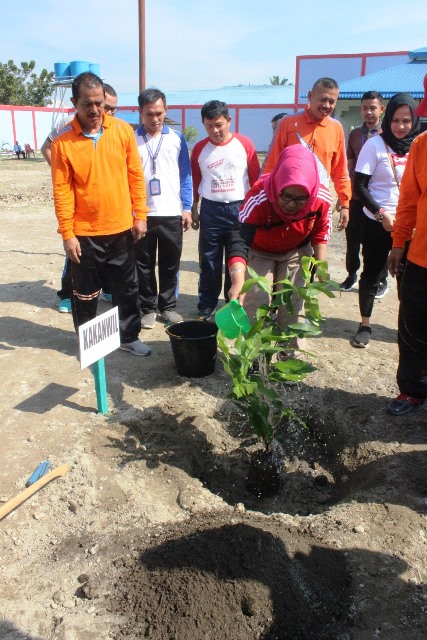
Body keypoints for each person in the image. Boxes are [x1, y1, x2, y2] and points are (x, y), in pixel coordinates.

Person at [51, 71, 151, 356]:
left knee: (127, 287)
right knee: (85, 293)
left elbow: (135, 175)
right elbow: (62, 192)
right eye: (87, 104)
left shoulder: (121, 131)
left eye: (99, 103)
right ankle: (89, 343)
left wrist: (140, 214)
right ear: (74, 102)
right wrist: (68, 234)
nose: (95, 110)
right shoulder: (63, 143)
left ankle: (129, 336)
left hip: (121, 228)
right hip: (84, 234)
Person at [226, 145, 332, 354]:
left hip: (295, 251)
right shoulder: (259, 195)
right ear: (278, 185)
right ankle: (254, 357)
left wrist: (320, 268)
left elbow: (320, 233)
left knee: (292, 303)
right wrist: (238, 281)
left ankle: (288, 357)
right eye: (286, 196)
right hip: (260, 250)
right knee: (256, 302)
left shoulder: (320, 199)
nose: (292, 204)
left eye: (301, 199)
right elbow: (239, 239)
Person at [351, 93, 420, 349]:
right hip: (377, 221)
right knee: (371, 273)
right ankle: (365, 324)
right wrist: (381, 214)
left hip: (411, 225)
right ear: (387, 118)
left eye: (406, 120)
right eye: (395, 120)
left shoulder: (419, 145)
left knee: (409, 279)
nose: (400, 126)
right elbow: (360, 185)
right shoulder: (375, 145)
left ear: (415, 120)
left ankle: (406, 327)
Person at [42, 84, 118, 313]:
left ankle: (107, 288)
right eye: (108, 106)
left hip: (108, 214)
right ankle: (67, 294)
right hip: (79, 212)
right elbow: (47, 147)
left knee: (107, 258)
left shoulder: (115, 130)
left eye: (112, 108)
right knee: (76, 257)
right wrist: (62, 172)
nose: (109, 112)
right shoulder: (65, 129)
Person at [191, 100, 260, 320]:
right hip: (211, 210)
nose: (215, 130)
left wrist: (256, 210)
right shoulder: (200, 149)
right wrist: (194, 207)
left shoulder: (245, 145)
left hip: (239, 210)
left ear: (229, 121)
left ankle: (232, 302)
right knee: (209, 260)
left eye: (219, 124)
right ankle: (206, 304)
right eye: (209, 126)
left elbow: (256, 180)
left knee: (236, 257)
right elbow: (194, 180)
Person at [134, 88, 192, 329]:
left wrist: (187, 207)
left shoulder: (177, 139)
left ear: (166, 110)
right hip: (142, 214)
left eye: (159, 113)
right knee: (143, 264)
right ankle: (147, 308)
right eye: (149, 114)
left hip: (171, 212)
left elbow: (186, 176)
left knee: (170, 263)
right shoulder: (131, 140)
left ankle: (167, 307)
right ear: (140, 113)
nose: (155, 119)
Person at [262, 77, 351, 231]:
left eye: (332, 101)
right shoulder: (288, 123)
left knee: (317, 251)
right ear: (310, 96)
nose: (327, 105)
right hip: (288, 203)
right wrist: (264, 198)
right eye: (323, 99)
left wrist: (345, 204)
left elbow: (341, 170)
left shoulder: (336, 128)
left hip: (319, 204)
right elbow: (271, 163)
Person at [387, 91, 427, 415]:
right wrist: (399, 242)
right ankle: (412, 390)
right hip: (421, 258)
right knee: (412, 328)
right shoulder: (421, 145)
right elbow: (409, 201)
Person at [341, 91, 388, 295]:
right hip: (356, 198)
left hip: (378, 199)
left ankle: (381, 279)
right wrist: (344, 195)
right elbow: (349, 167)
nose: (369, 112)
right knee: (352, 239)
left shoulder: (388, 134)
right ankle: (351, 274)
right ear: (360, 109)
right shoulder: (354, 135)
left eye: (373, 108)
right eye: (365, 108)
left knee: (378, 241)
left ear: (381, 109)